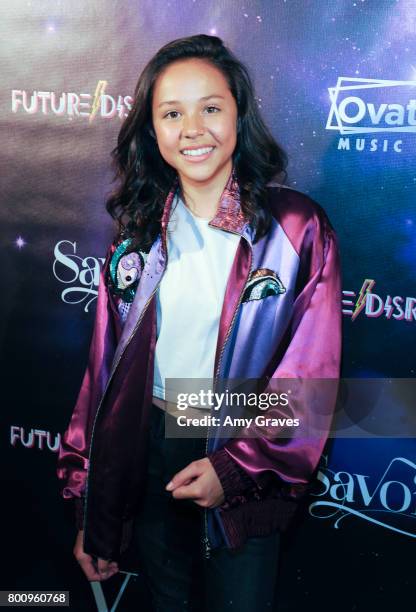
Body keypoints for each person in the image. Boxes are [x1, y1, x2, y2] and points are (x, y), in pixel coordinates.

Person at [56, 34, 342, 611]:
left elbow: (309, 382)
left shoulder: (296, 229)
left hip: (245, 449)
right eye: (172, 113)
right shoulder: (136, 236)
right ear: (152, 130)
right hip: (154, 441)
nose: (192, 129)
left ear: (239, 114)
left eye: (210, 108)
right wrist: (94, 506)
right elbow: (103, 380)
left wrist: (232, 468)